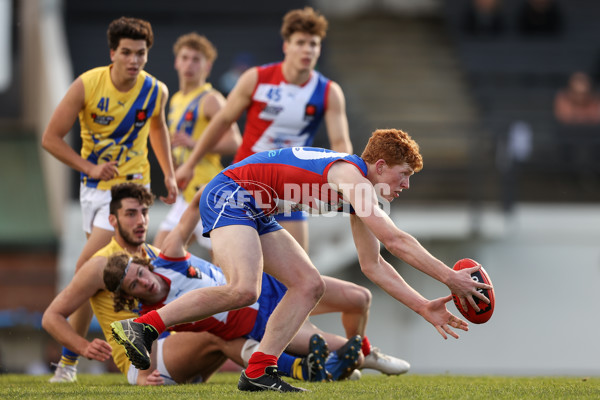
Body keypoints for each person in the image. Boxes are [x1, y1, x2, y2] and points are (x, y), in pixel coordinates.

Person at [111, 129, 493, 392]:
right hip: (231, 193)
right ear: (379, 166)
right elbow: (394, 239)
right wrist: (450, 279)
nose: (406, 185)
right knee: (244, 289)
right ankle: (142, 328)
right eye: (403, 174)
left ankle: (260, 369)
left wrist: (424, 306)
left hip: (254, 205)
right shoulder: (353, 177)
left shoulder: (358, 190)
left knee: (310, 285)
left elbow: (373, 265)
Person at [107, 188, 409, 382]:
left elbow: (193, 207)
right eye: (135, 285)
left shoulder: (169, 258)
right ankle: (354, 361)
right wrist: (144, 376)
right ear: (129, 296)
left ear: (144, 265)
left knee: (360, 297)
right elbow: (141, 344)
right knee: (347, 353)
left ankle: (366, 353)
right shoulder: (154, 312)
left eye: (140, 274)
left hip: (270, 285)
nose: (144, 282)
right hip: (264, 324)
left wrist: (218, 186)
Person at [41, 17, 178, 381]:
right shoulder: (87, 84)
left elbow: (158, 128)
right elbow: (51, 138)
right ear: (112, 54)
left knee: (87, 270)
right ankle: (135, 351)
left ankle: (74, 360)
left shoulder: (155, 90)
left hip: (130, 192)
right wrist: (89, 166)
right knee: (96, 278)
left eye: (141, 53)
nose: (135, 60)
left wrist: (168, 173)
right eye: (127, 53)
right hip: (93, 192)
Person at [175, 7, 353, 252]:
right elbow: (222, 121)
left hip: (291, 189)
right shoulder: (256, 78)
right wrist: (190, 164)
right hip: (244, 182)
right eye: (300, 43)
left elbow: (341, 145)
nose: (307, 50)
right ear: (286, 46)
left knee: (302, 278)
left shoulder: (329, 92)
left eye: (313, 44)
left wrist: (346, 182)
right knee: (232, 275)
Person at [41, 183, 245, 385]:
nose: (140, 221)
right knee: (220, 332)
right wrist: (82, 348)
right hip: (143, 365)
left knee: (229, 323)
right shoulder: (100, 264)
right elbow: (52, 316)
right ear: (112, 220)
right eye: (130, 214)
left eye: (144, 213)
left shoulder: (155, 254)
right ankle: (265, 369)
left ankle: (265, 363)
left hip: (175, 349)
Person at [153, 33, 241, 251]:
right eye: (184, 58)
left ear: (207, 66)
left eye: (196, 59)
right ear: (176, 62)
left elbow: (235, 142)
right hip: (186, 193)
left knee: (226, 266)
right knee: (159, 257)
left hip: (207, 189)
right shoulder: (175, 100)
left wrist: (195, 144)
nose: (189, 64)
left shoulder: (211, 99)